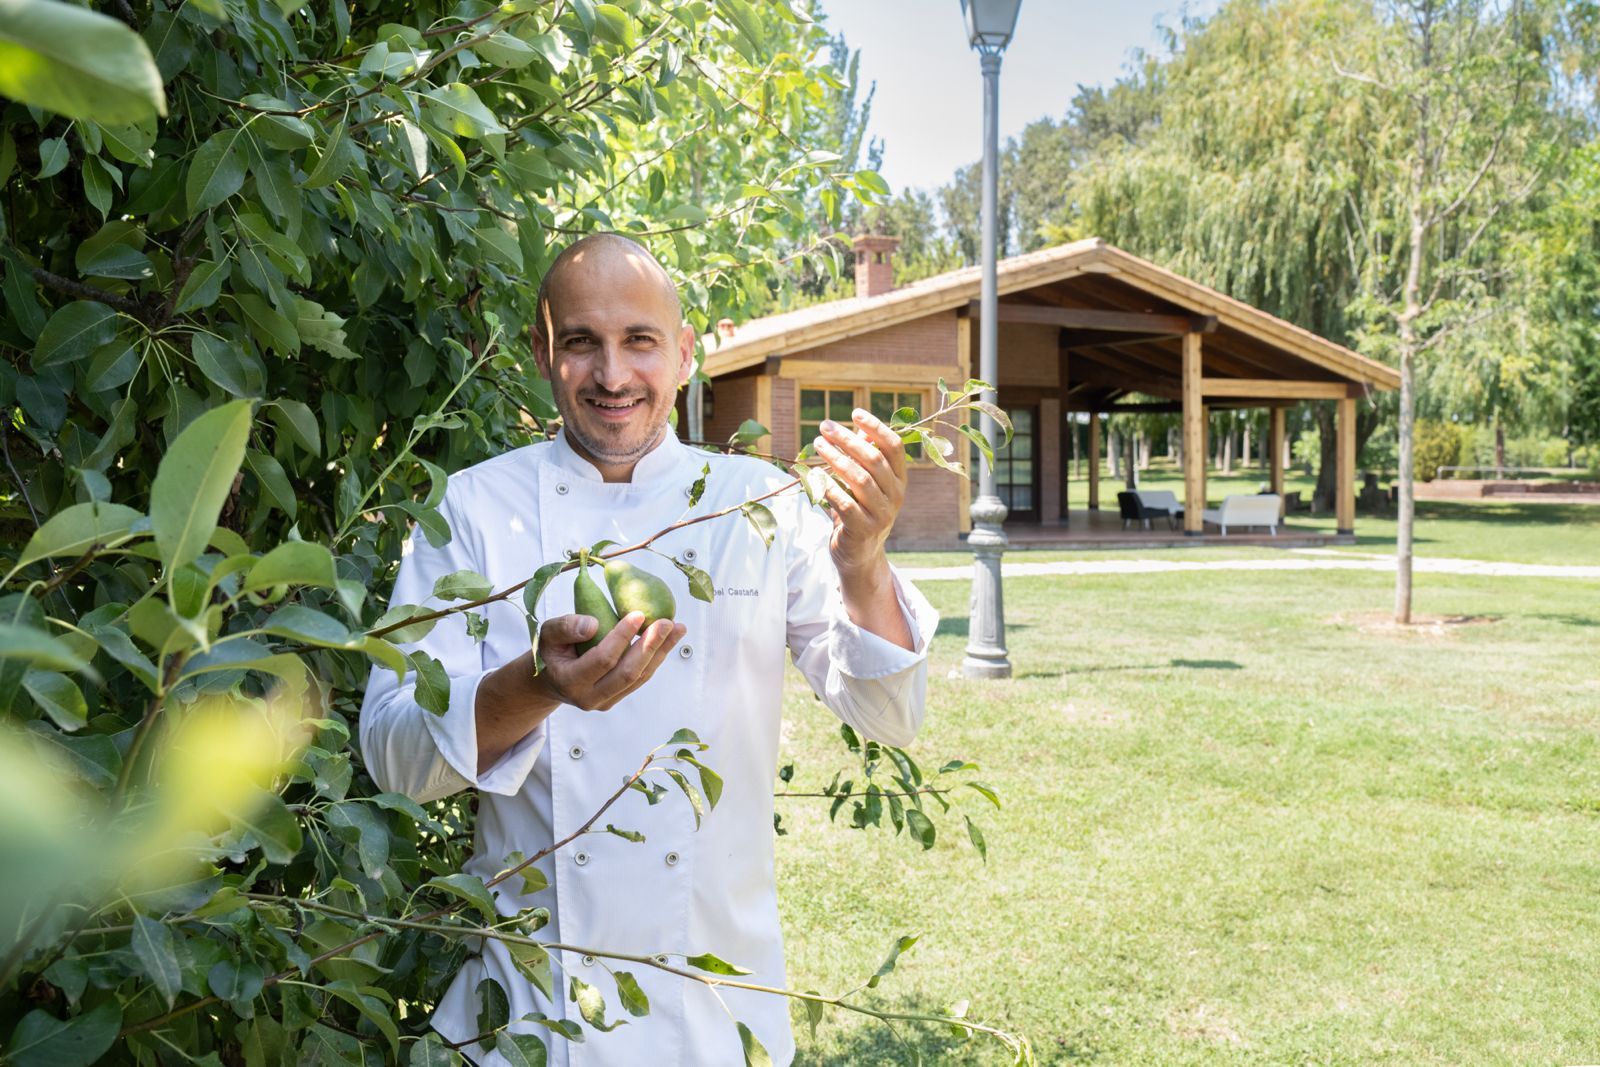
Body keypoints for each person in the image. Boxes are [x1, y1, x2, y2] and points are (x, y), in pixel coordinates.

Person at [359, 233, 937, 1066]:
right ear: (541, 354)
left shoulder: (759, 504)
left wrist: (862, 561)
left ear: (684, 354)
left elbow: (888, 712)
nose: (613, 375)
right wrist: (537, 686)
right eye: (582, 342)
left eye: (640, 340)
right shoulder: (475, 507)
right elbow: (393, 755)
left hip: (716, 1007)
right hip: (530, 1015)